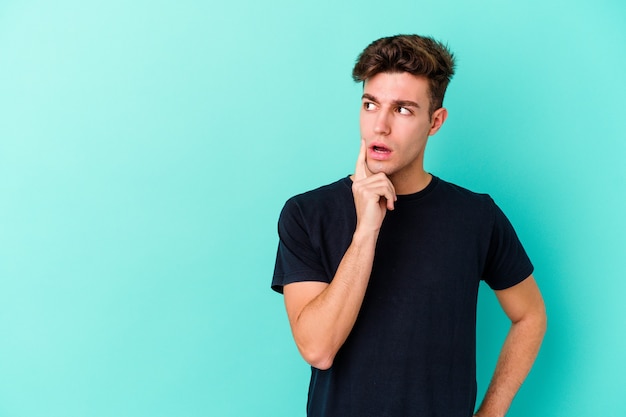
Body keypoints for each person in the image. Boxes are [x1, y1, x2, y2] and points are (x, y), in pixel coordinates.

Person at [271, 34, 547, 417]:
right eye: (370, 105)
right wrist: (366, 230)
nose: (380, 126)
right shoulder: (306, 213)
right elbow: (318, 349)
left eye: (402, 110)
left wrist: (492, 410)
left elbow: (530, 315)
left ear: (435, 122)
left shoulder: (476, 217)